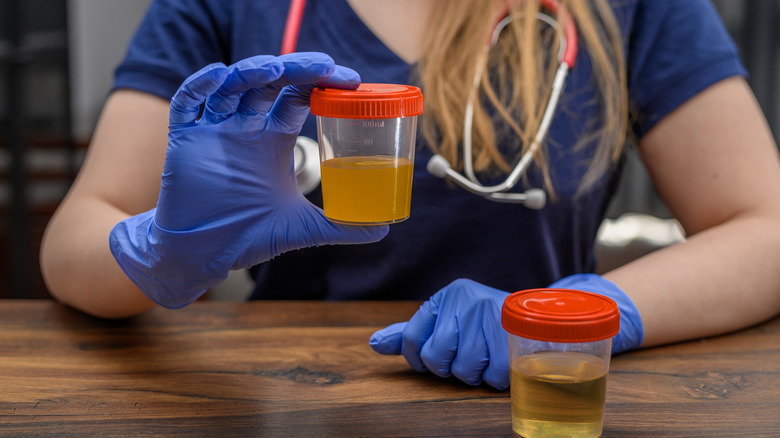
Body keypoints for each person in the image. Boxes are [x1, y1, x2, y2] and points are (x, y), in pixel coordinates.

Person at [40, 0, 780, 390]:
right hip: (286, 405)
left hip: (539, 394)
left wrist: (580, 313)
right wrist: (163, 251)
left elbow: (766, 227)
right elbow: (73, 239)